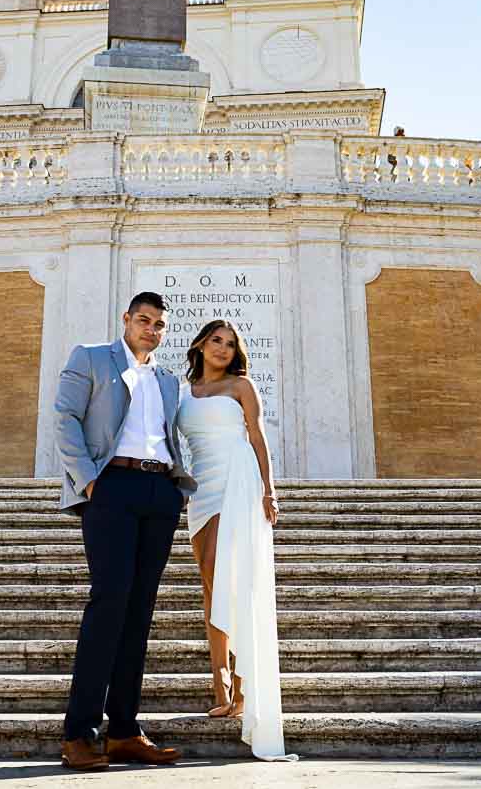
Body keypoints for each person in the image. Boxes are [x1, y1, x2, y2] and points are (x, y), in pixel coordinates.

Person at [55, 292, 198, 771]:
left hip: (159, 492)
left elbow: (170, 435)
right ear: (127, 320)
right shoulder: (93, 358)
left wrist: (178, 488)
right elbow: (65, 418)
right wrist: (89, 479)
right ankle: (79, 732)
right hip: (111, 485)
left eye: (159, 324)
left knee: (139, 611)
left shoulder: (166, 379)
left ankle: (124, 730)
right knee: (110, 599)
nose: (151, 330)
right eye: (144, 320)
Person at [177, 319, 298, 762]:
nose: (223, 349)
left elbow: (256, 436)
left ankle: (241, 690)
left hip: (239, 482)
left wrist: (269, 489)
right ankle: (221, 684)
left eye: (230, 344)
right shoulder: (182, 392)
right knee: (211, 586)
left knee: (235, 583)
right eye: (216, 341)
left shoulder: (242, 386)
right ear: (201, 345)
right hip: (201, 488)